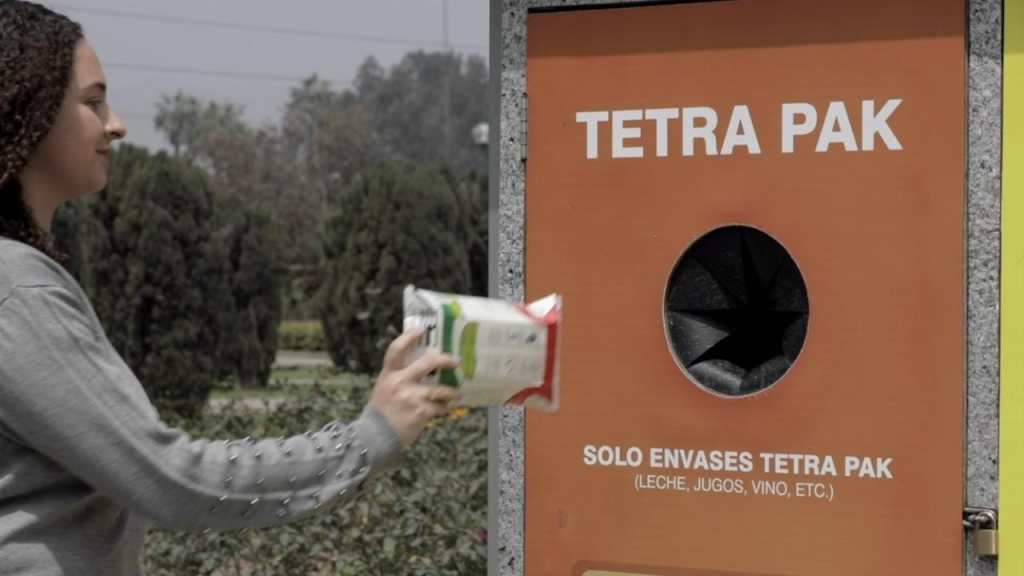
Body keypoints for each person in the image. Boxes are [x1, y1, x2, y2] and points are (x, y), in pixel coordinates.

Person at [0, 1, 460, 573]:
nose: (115, 125)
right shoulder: (15, 289)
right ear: (29, 110)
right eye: (92, 103)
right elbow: (173, 480)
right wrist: (372, 436)